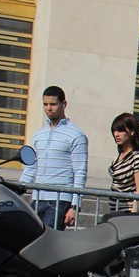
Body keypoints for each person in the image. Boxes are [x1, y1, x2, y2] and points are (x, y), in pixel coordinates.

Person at [22, 86, 88, 230]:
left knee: (47, 243)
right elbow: (31, 167)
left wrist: (75, 206)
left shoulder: (76, 135)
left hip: (59, 200)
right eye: (45, 104)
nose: (48, 108)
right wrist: (16, 190)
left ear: (64, 104)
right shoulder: (39, 134)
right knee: (33, 240)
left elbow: (80, 172)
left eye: (53, 104)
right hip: (37, 198)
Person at [107, 113, 139, 213]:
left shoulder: (138, 158)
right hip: (115, 212)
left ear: (132, 132)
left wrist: (132, 217)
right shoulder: (119, 156)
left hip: (128, 213)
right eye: (114, 130)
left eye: (121, 130)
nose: (116, 134)